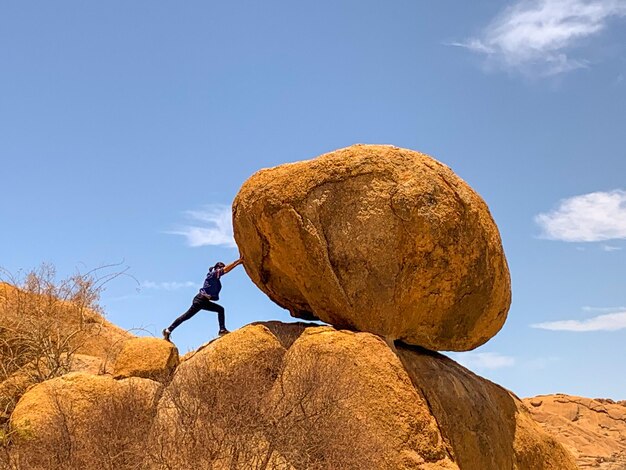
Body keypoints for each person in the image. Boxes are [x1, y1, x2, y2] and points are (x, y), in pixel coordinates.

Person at [162, 257, 244, 341]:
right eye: (220, 268)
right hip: (200, 300)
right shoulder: (212, 274)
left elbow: (225, 270)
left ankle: (168, 330)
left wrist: (238, 263)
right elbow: (225, 270)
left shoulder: (216, 279)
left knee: (219, 310)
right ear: (216, 268)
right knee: (186, 316)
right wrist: (237, 261)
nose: (222, 269)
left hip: (204, 301)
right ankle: (168, 330)